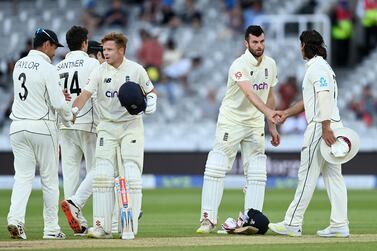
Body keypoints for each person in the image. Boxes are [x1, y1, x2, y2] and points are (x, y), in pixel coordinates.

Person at [71, 32, 157, 238]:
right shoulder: (100, 71)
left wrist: (152, 102)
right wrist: (74, 110)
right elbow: (84, 94)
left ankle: (129, 226)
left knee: (131, 173)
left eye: (109, 50)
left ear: (121, 50)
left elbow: (151, 92)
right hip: (107, 127)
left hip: (131, 126)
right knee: (101, 174)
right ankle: (102, 227)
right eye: (104, 50)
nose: (105, 53)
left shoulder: (136, 70)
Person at [196, 25, 280, 234]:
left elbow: (269, 95)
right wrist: (269, 113)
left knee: (257, 171)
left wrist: (272, 126)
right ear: (246, 43)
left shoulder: (270, 64)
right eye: (255, 42)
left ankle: (252, 219)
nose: (259, 46)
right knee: (216, 166)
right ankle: (207, 219)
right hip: (232, 120)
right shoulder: (238, 65)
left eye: (262, 42)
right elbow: (250, 94)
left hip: (255, 123)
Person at [269, 30, 350, 238]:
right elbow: (310, 100)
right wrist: (287, 112)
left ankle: (292, 223)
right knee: (333, 177)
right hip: (331, 124)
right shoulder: (322, 67)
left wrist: (324, 127)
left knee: (306, 176)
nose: (299, 49)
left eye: (300, 45)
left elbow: (323, 98)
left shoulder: (317, 68)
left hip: (321, 127)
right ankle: (340, 224)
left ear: (304, 45)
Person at [7, 28, 72, 239]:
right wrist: (70, 109)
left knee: (23, 178)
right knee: (50, 180)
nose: (55, 52)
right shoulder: (48, 68)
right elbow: (57, 103)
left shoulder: (19, 65)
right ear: (46, 45)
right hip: (42, 126)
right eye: (54, 47)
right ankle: (52, 229)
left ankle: (15, 220)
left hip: (17, 127)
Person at [57, 26, 100, 235]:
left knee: (70, 172)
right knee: (97, 169)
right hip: (88, 123)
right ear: (85, 42)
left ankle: (78, 221)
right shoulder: (93, 63)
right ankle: (79, 207)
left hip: (65, 123)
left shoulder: (58, 67)